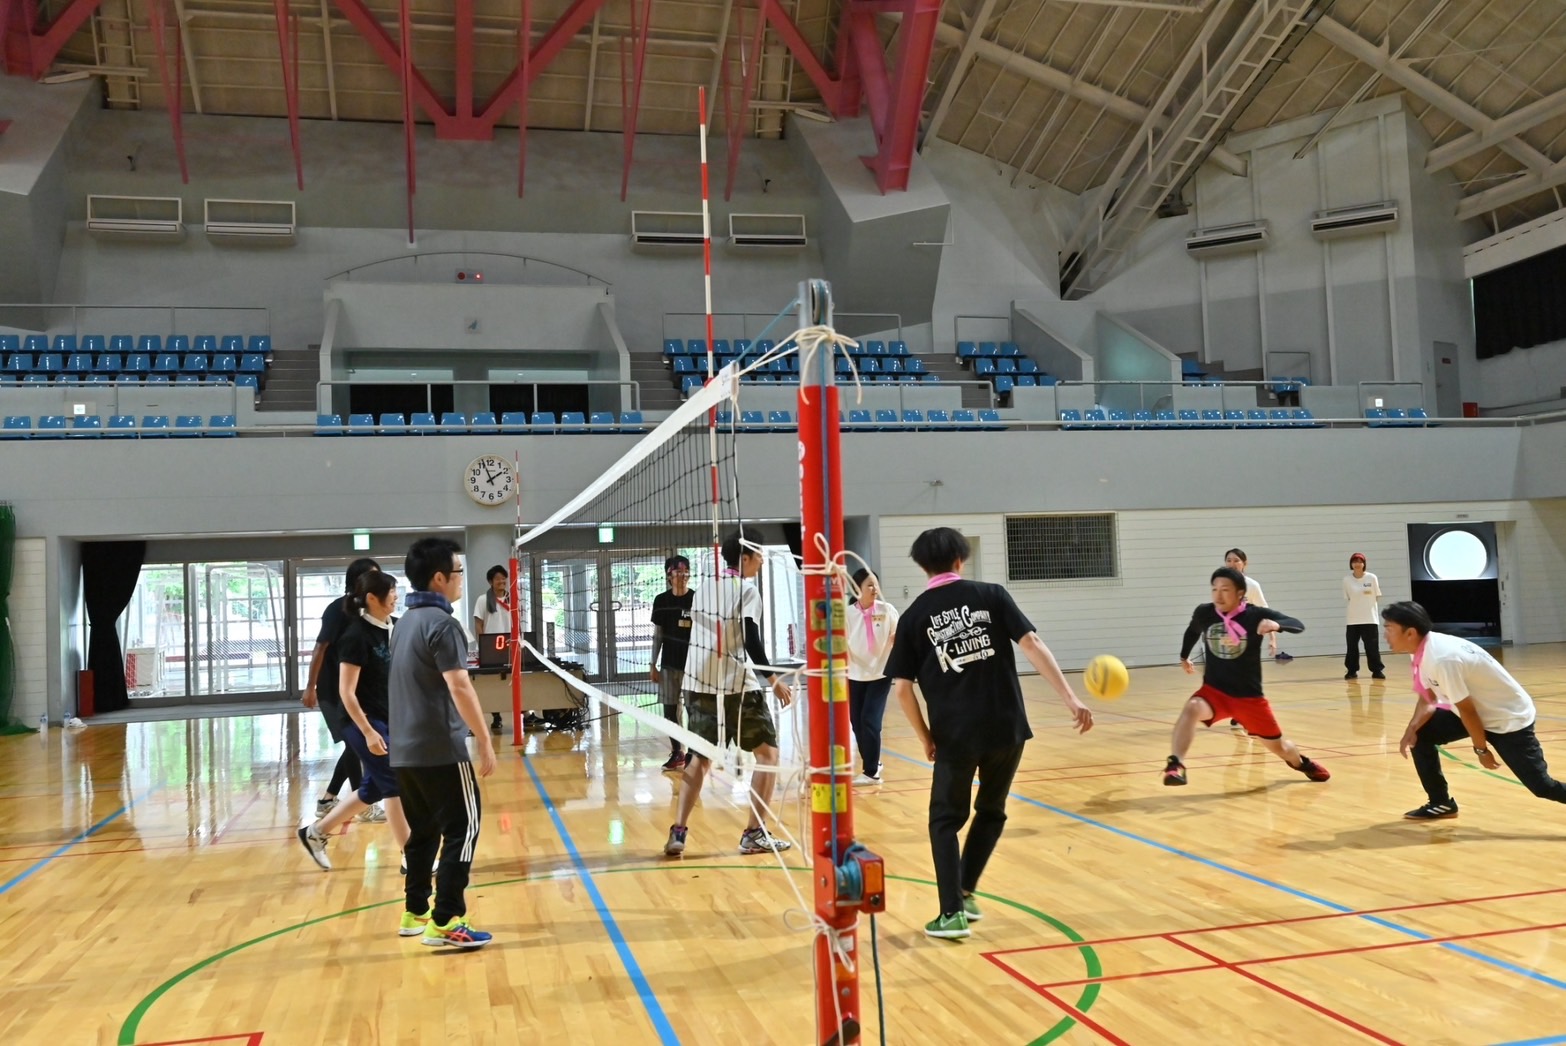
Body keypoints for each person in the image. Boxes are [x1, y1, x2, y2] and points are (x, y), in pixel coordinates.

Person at [885, 527, 1093, 941]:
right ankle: (965, 891)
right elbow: (1032, 644)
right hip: (1006, 727)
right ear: (960, 560)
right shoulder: (991, 595)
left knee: (945, 821)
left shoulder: (912, 618)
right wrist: (1071, 698)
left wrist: (925, 737)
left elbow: (902, 689)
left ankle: (952, 912)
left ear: (923, 566)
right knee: (992, 810)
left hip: (955, 736)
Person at [390, 537, 496, 948]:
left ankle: (415, 910)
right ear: (439, 578)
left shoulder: (403, 624)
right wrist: (484, 739)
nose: (460, 580)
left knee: (423, 830)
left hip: (404, 750)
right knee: (464, 827)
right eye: (457, 572)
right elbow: (460, 686)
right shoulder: (443, 624)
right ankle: (447, 919)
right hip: (439, 748)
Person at [664, 529, 794, 858]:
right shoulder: (747, 590)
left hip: (698, 683)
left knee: (699, 758)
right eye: (759, 555)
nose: (762, 561)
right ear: (746, 557)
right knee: (768, 754)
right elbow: (750, 638)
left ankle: (678, 832)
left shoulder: (705, 587)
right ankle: (754, 834)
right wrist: (773, 679)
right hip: (735, 683)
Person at [1382, 601, 1566, 820]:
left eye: (1389, 629)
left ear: (1410, 633)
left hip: (1507, 719)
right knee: (1420, 736)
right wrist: (1411, 728)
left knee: (1542, 786)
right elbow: (1428, 697)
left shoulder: (1442, 659)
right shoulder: (1420, 650)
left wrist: (1481, 750)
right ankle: (1441, 803)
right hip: (1477, 712)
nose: (1385, 635)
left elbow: (1467, 711)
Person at [1166, 566, 1330, 787]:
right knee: (1192, 706)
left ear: (1240, 593)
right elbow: (1193, 630)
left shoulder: (1255, 615)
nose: (1218, 595)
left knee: (1281, 748)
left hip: (1249, 699)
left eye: (1225, 590)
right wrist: (1184, 656)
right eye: (1214, 589)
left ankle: (1301, 763)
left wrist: (1276, 625)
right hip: (1215, 692)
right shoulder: (1205, 613)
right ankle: (1176, 765)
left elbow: (1297, 625)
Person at [297, 570, 411, 873]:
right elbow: (346, 692)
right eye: (391, 591)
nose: (395, 596)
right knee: (394, 783)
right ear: (372, 598)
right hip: (359, 720)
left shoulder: (393, 627)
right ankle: (411, 856)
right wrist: (369, 732)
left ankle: (316, 833)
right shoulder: (355, 636)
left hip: (386, 717)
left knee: (372, 789)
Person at [301, 557, 383, 822]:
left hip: (358, 691)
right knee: (355, 744)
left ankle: (328, 799)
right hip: (333, 690)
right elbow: (320, 648)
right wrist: (311, 687)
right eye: (372, 576)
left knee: (355, 745)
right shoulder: (337, 610)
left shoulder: (370, 612)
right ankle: (363, 804)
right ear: (357, 581)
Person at [846, 567, 898, 785]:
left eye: (876, 584)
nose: (874, 589)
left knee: (870, 719)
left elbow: (898, 634)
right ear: (857, 589)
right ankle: (873, 761)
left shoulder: (887, 610)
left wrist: (895, 642)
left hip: (881, 673)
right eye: (869, 585)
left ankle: (871, 772)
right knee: (856, 721)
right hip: (855, 673)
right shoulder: (847, 614)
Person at [649, 554, 695, 772]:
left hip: (693, 667)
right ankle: (678, 752)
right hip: (668, 666)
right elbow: (658, 635)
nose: (683, 576)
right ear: (669, 575)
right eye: (678, 572)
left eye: (686, 572)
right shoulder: (661, 601)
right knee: (669, 712)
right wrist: (652, 664)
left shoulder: (696, 599)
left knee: (693, 710)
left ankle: (694, 753)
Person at [472, 564, 513, 734]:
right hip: (491, 648)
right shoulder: (483, 600)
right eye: (497, 579)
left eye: (504, 578)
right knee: (492, 682)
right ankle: (496, 715)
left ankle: (524, 714)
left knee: (513, 680)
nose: (501, 581)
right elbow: (478, 624)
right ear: (490, 582)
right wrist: (484, 645)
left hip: (509, 646)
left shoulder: (513, 599)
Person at [1343, 553, 1385, 680]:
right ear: (1351, 564)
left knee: (1372, 647)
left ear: (1364, 564)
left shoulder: (1372, 578)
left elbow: (1377, 596)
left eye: (1360, 561)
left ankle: (1377, 670)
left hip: (1370, 619)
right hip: (1353, 619)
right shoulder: (1346, 580)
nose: (1357, 564)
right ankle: (1351, 671)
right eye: (1354, 561)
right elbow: (1348, 597)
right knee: (1352, 647)